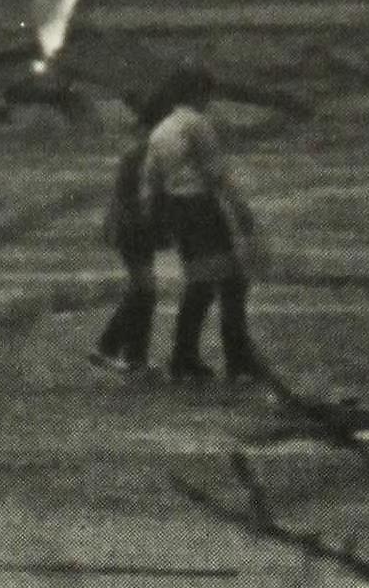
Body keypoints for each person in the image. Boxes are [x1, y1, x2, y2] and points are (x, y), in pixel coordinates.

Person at [138, 59, 263, 386]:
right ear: (198, 92)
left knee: (200, 284)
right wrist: (241, 209)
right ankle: (237, 359)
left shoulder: (162, 129)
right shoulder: (196, 125)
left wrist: (156, 219)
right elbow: (216, 173)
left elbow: (150, 181)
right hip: (201, 209)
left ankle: (184, 357)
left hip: (177, 210)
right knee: (232, 283)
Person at [92, 74, 184, 376]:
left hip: (132, 228)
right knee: (144, 290)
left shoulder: (141, 150)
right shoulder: (146, 153)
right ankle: (118, 351)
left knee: (143, 290)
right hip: (133, 229)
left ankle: (126, 354)